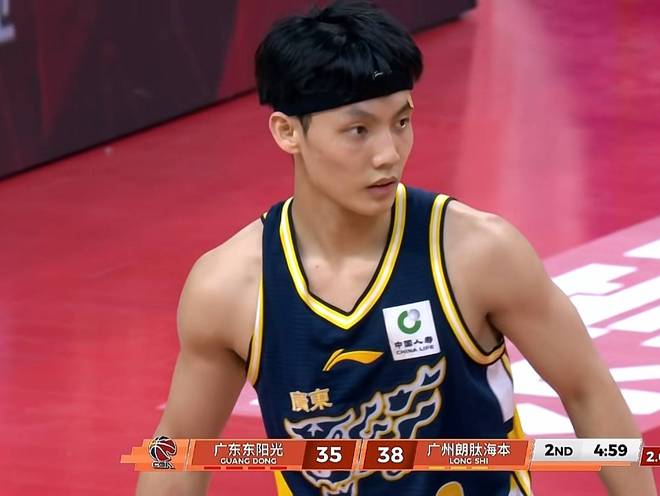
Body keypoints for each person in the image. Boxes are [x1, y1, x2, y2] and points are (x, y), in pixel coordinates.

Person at [136, 1, 657, 495]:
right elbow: (179, 455)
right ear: (287, 132)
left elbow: (587, 390)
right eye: (358, 130)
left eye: (401, 122)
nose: (388, 153)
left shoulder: (477, 253)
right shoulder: (229, 288)